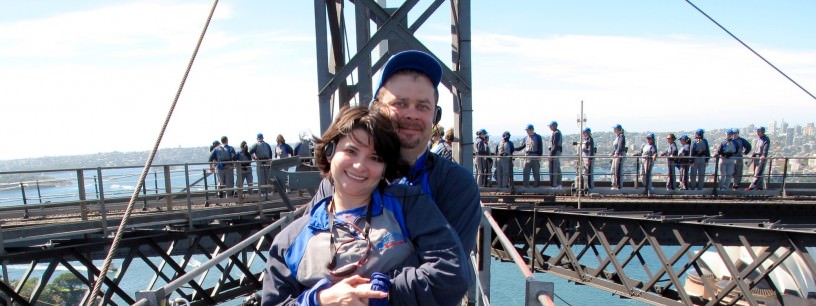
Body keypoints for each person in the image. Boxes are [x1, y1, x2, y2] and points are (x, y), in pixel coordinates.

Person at [302, 50, 481, 304]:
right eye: (400, 103)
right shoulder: (340, 179)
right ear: (376, 109)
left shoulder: (456, 185)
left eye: (422, 106)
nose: (411, 114)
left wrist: (353, 293)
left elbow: (445, 282)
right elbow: (306, 255)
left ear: (435, 117)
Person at [262, 106, 469, 306]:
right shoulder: (289, 242)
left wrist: (384, 292)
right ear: (329, 151)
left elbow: (452, 274)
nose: (360, 165)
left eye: (375, 157)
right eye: (351, 151)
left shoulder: (408, 206)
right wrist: (320, 300)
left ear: (385, 168)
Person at [250, 133, 274, 198]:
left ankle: (263, 193)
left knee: (261, 178)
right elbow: (270, 155)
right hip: (267, 162)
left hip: (260, 162)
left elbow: (250, 152)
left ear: (257, 138)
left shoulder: (255, 145)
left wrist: (255, 158)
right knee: (268, 178)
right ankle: (269, 192)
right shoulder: (267, 145)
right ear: (263, 138)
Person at [747, 127, 771, 191]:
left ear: (762, 132)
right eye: (757, 131)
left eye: (759, 131)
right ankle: (760, 187)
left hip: (761, 158)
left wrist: (763, 155)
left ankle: (751, 187)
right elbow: (756, 149)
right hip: (756, 157)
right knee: (757, 172)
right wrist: (752, 156)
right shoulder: (758, 139)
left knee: (758, 173)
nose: (757, 132)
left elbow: (765, 149)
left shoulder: (766, 139)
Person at [610, 124, 627, 190]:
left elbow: (619, 146)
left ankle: (618, 185)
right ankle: (614, 184)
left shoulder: (621, 136)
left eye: (615, 128)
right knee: (613, 170)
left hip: (619, 155)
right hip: (616, 155)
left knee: (618, 170)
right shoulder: (618, 136)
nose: (614, 130)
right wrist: (613, 153)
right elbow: (616, 147)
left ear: (618, 129)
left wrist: (616, 153)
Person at [548, 121, 563, 189]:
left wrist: (551, 154)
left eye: (550, 126)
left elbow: (555, 145)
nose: (550, 127)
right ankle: (559, 184)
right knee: (557, 168)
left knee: (554, 169)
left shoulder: (556, 133)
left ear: (554, 126)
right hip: (556, 152)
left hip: (555, 152)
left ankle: (554, 185)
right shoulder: (556, 133)